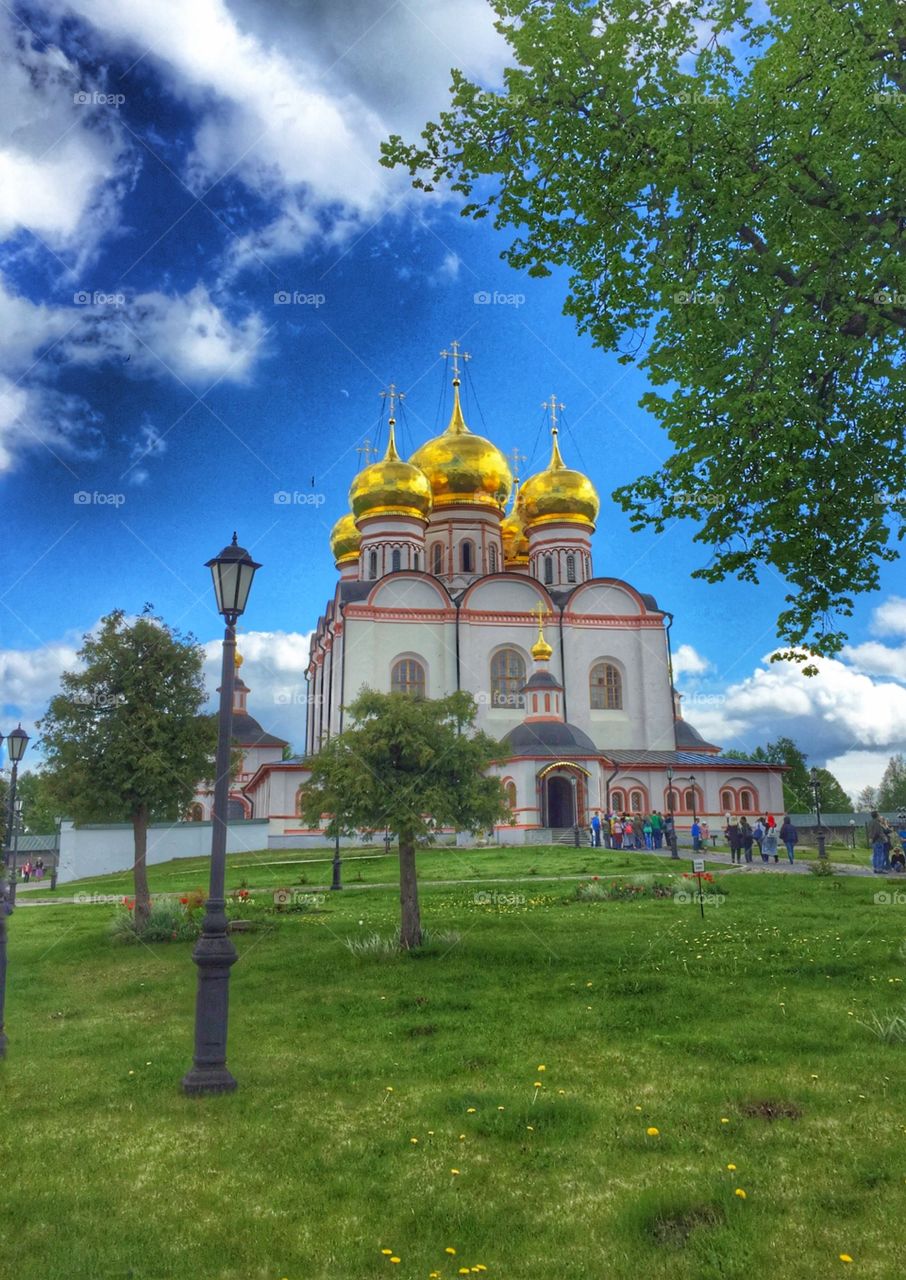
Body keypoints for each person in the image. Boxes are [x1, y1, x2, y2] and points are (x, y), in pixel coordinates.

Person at [867, 810, 886, 874]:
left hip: (873, 840)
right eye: (879, 814)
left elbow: (870, 832)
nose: (879, 815)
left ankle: (875, 868)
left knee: (875, 855)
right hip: (878, 840)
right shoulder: (877, 822)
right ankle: (879, 869)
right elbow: (878, 832)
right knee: (880, 855)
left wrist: (871, 839)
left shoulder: (870, 822)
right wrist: (884, 838)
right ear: (877, 815)